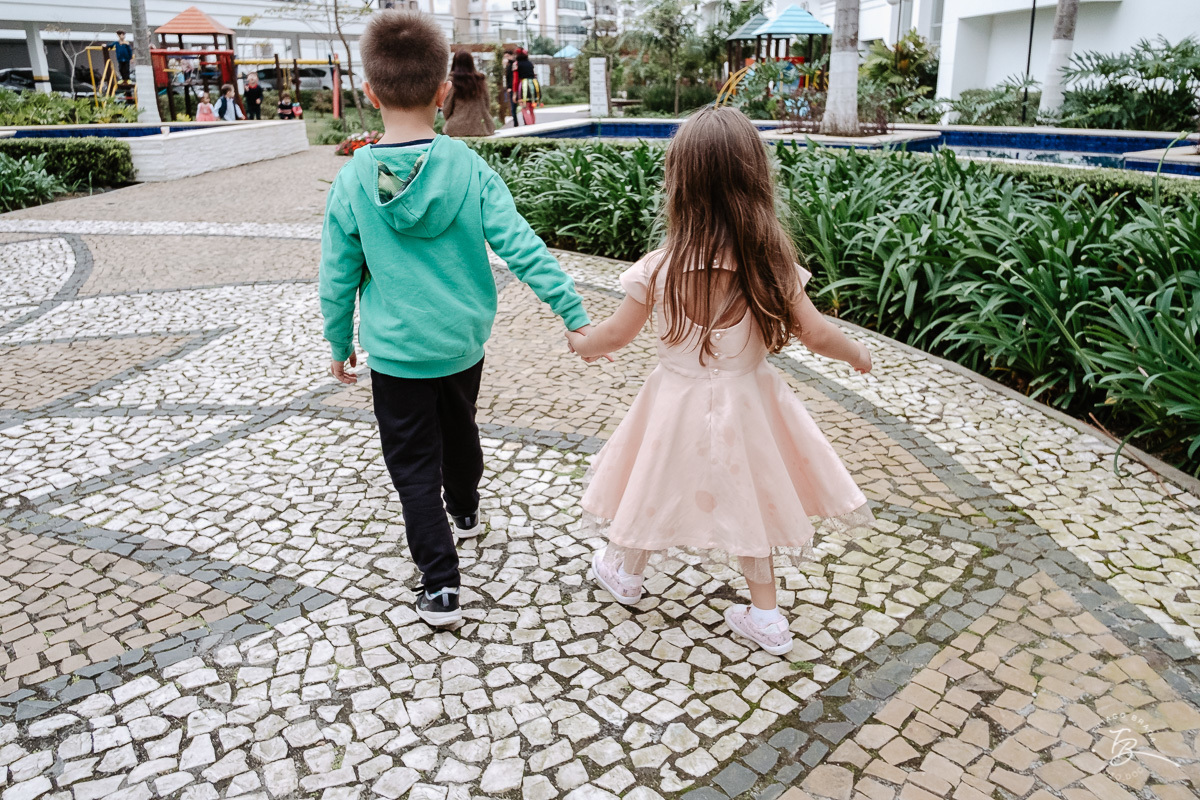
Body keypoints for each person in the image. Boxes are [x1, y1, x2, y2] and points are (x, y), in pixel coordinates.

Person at [319, 10, 597, 628]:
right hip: (461, 344)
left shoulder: (352, 181)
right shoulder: (469, 169)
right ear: (444, 92)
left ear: (369, 92)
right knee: (461, 426)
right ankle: (466, 508)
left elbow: (338, 273)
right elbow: (521, 245)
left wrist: (339, 341)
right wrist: (571, 310)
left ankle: (440, 587)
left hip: (394, 354)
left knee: (412, 464)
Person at [566, 106, 874, 656]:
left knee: (652, 481)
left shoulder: (656, 268)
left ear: (679, 185)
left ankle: (626, 572)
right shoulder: (770, 265)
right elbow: (818, 334)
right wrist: (858, 355)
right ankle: (767, 615)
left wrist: (581, 342)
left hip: (672, 406)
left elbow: (613, 336)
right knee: (749, 499)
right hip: (749, 405)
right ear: (755, 182)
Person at [442, 51, 495, 138]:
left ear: (454, 63)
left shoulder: (452, 81)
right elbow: (487, 103)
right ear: (471, 63)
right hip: (482, 127)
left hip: (457, 127)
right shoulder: (480, 80)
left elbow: (447, 107)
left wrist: (449, 119)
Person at [512, 49, 540, 125]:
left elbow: (515, 80)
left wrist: (514, 93)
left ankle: (529, 126)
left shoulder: (516, 64)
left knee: (524, 108)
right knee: (531, 108)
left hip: (524, 86)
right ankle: (533, 124)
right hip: (533, 85)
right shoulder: (530, 63)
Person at [502, 52, 517, 127]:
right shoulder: (507, 65)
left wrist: (510, 87)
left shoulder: (513, 64)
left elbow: (511, 78)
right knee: (513, 106)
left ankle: (516, 123)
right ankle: (515, 122)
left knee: (514, 105)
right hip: (511, 87)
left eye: (507, 56)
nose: (506, 58)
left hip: (514, 87)